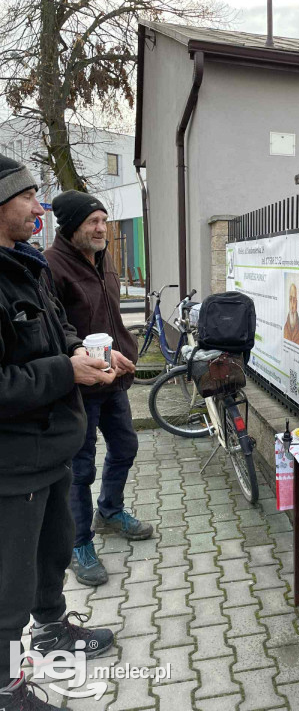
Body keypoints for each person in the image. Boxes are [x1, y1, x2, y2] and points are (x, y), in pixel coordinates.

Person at [0, 156, 115, 711]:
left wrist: (85, 352)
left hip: (51, 448)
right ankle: (4, 686)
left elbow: (58, 332)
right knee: (8, 581)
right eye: (27, 197)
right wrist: (65, 371)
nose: (38, 206)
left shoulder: (27, 265)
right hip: (11, 462)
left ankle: (51, 631)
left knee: (50, 557)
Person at [45, 191, 152, 587]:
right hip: (78, 387)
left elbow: (108, 318)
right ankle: (78, 543)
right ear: (71, 225)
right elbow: (58, 328)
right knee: (80, 467)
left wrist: (122, 353)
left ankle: (109, 511)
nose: (101, 229)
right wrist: (88, 358)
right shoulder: (51, 267)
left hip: (114, 381)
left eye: (104, 221)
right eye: (93, 222)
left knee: (126, 447)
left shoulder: (103, 261)